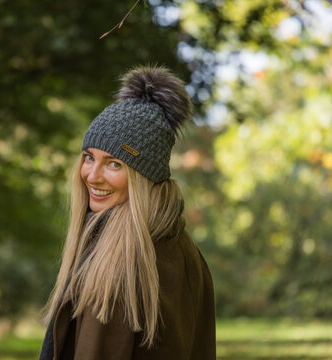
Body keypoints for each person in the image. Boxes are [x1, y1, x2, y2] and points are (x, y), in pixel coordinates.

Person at [39, 65, 216, 360]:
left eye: (114, 164)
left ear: (143, 175)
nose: (92, 176)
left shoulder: (123, 259)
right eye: (88, 158)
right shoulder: (184, 249)